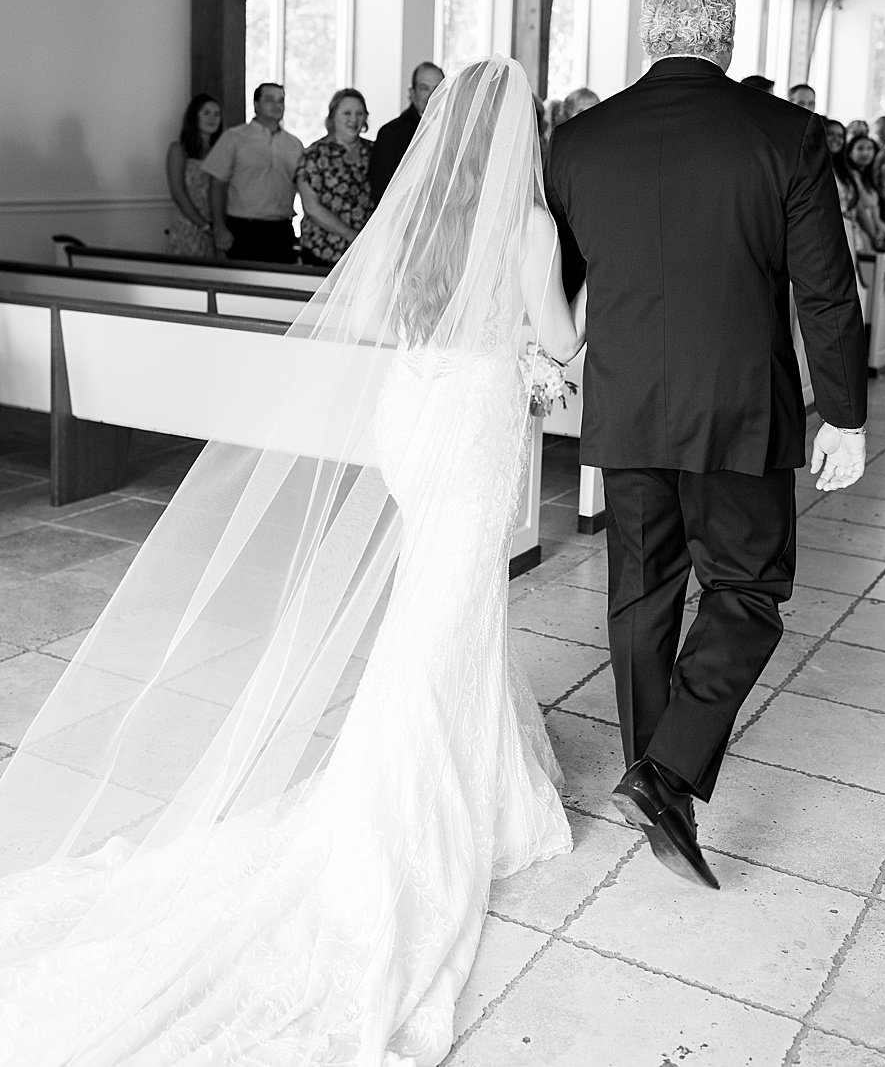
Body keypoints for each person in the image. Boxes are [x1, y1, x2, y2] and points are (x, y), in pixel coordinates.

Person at [0, 58, 585, 1060]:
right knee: (451, 606)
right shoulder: (526, 227)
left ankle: (477, 771)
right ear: (517, 131)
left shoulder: (414, 213)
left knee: (439, 604)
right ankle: (414, 800)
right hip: (477, 423)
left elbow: (364, 318)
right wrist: (574, 322)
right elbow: (562, 348)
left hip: (413, 412)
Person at [547, 0, 869, 891]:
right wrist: (842, 416)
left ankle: (661, 782)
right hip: (738, 411)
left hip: (625, 407)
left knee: (642, 596)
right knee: (749, 588)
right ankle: (667, 773)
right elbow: (826, 291)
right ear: (728, 35)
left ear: (652, 30)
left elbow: (562, 293)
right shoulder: (789, 135)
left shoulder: (579, 142)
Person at [203, 81, 304, 264]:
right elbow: (216, 186)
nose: (277, 105)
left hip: (282, 230)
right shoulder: (233, 138)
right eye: (269, 100)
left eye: (281, 100)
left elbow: (303, 188)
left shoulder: (294, 144)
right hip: (243, 230)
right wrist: (219, 227)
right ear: (256, 104)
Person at [294, 88, 374, 268]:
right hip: (322, 253)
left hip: (365, 254)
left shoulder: (374, 152)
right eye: (347, 113)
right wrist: (351, 235)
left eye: (359, 113)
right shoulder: (314, 155)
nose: (354, 120)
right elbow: (312, 207)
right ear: (332, 117)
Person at [366, 61, 444, 207]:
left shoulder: (453, 128)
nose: (433, 95)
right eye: (424, 88)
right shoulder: (391, 133)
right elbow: (382, 192)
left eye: (438, 88)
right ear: (412, 92)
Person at [163, 93, 222, 257]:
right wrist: (203, 226)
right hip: (189, 225)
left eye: (217, 114)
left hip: (216, 227)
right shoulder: (178, 149)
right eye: (206, 113)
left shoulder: (220, 151)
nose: (212, 118)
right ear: (194, 116)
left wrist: (217, 227)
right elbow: (178, 193)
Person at [845, 135, 885, 254]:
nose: (866, 153)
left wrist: (879, 232)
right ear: (850, 152)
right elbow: (860, 210)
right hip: (858, 232)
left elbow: (876, 214)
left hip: (873, 233)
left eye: (870, 148)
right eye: (860, 148)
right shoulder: (851, 177)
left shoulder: (870, 179)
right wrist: (874, 234)